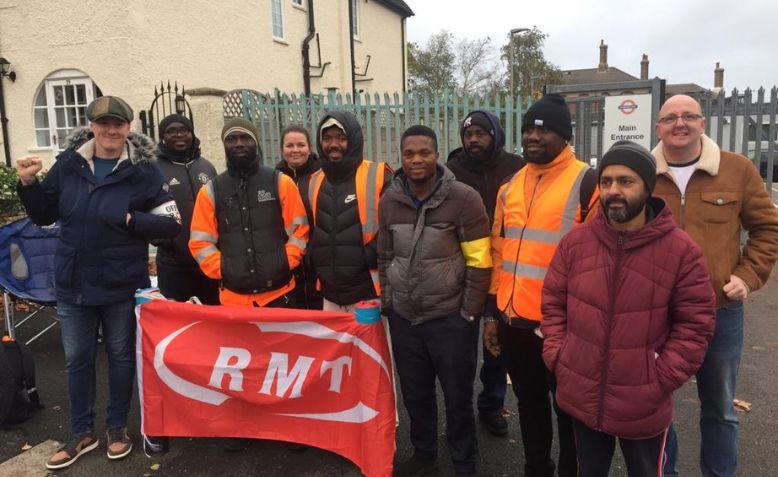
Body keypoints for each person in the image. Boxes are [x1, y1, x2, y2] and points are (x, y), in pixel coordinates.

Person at [15, 96, 181, 469]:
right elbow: (44, 215)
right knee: (76, 360)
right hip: (74, 282)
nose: (111, 130)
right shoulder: (69, 165)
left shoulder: (145, 171)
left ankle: (117, 429)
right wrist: (27, 183)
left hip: (121, 283)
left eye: (118, 123)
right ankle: (81, 434)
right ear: (91, 125)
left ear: (128, 127)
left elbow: (171, 225)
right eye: (103, 123)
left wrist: (130, 220)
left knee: (121, 358)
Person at [541, 140, 716, 477]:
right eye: (606, 182)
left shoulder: (681, 251)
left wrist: (661, 377)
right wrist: (559, 355)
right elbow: (553, 304)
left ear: (647, 187)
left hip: (643, 400)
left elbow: (695, 326)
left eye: (625, 181)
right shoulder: (576, 243)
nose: (613, 191)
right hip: (582, 393)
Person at [652, 95, 778, 477]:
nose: (680, 123)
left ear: (702, 123)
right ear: (658, 127)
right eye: (670, 117)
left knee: (720, 408)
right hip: (656, 313)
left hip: (719, 311)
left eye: (688, 116)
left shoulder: (736, 169)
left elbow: (767, 228)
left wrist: (747, 276)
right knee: (656, 406)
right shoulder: (643, 171)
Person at [486, 93, 598, 477]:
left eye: (544, 129)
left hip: (562, 327)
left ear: (564, 136)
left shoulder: (588, 182)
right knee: (529, 404)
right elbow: (499, 252)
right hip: (515, 321)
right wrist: (493, 314)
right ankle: (537, 468)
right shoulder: (510, 185)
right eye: (528, 130)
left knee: (569, 411)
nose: (533, 137)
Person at [188, 117, 309, 452]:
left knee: (281, 365)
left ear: (256, 142)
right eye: (232, 139)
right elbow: (199, 241)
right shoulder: (211, 189)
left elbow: (299, 230)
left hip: (280, 294)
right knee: (240, 369)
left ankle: (287, 426)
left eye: (244, 138)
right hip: (233, 298)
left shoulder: (279, 182)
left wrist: (285, 262)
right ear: (225, 146)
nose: (238, 144)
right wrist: (223, 270)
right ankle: (243, 427)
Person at [379, 125, 491, 476]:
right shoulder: (389, 200)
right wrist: (388, 300)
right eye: (409, 153)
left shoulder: (464, 198)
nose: (416, 160)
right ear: (401, 156)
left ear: (437, 155)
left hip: (449, 319)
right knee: (415, 393)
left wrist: (468, 314)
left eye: (424, 152)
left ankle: (463, 460)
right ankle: (424, 453)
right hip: (405, 319)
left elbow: (479, 260)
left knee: (457, 396)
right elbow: (384, 256)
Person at [142, 114, 220, 456]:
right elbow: (145, 213)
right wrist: (167, 243)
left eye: (184, 129)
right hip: (174, 266)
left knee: (216, 336)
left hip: (209, 268)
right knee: (174, 342)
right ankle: (173, 412)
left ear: (192, 133)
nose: (178, 135)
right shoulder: (152, 169)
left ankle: (215, 405)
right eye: (171, 131)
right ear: (162, 137)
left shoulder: (207, 167)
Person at [446, 109, 525, 436]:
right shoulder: (451, 170)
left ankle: (491, 405)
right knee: (461, 345)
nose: (474, 139)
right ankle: (458, 410)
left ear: (496, 135)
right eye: (468, 134)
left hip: (506, 268)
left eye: (481, 133)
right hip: (463, 269)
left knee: (497, 345)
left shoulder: (517, 168)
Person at [306, 110, 392, 312]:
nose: (333, 144)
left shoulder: (380, 175)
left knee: (373, 345)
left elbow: (395, 228)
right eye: (327, 138)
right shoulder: (315, 180)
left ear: (353, 140)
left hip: (369, 293)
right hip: (330, 295)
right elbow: (314, 230)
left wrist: (366, 257)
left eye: (341, 138)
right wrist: (316, 257)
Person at [275, 125, 322, 309]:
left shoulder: (322, 175)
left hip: (317, 258)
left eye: (301, 145)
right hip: (289, 260)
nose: (295, 150)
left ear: (309, 148)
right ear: (282, 149)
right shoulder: (274, 179)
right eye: (289, 145)